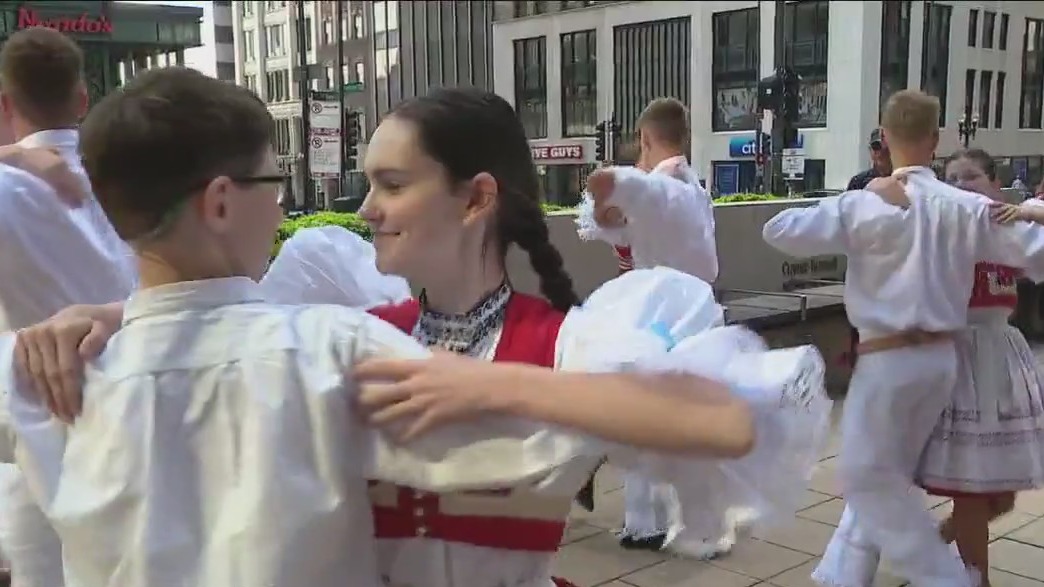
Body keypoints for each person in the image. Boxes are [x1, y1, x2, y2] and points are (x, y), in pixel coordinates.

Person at [14, 84, 832, 587]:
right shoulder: (354, 335)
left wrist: (491, 381)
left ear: (476, 199)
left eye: (390, 184)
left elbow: (730, 420)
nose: (364, 207)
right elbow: (222, 326)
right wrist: (116, 314)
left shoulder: (563, 342)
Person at [763, 89, 1044, 587]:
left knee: (868, 479)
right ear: (935, 140)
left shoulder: (865, 205)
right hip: (940, 363)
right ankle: (849, 574)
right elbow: (1036, 256)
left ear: (885, 136)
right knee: (880, 476)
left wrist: (864, 196)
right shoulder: (965, 207)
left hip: (887, 361)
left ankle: (945, 577)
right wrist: (1025, 214)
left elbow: (779, 230)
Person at [0, 26, 137, 587]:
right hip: (139, 422)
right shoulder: (133, 182)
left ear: (4, 104)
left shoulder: (9, 189)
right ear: (83, 100)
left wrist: (13, 156)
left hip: (40, 440)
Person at [575, 97, 724, 556]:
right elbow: (617, 226)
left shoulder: (662, 187)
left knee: (638, 420)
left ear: (644, 139)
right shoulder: (695, 186)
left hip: (657, 318)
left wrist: (611, 187)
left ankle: (646, 523)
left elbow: (616, 214)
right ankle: (700, 524)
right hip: (697, 316)